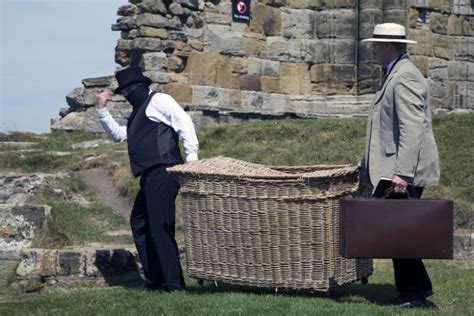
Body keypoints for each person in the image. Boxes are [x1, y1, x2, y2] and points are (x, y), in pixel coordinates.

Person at [95, 66, 199, 291]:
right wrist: (102, 111)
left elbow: (184, 123)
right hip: (150, 177)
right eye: (124, 91)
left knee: (161, 229)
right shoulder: (137, 112)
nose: (128, 93)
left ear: (139, 86)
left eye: (130, 89)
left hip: (165, 171)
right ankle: (156, 281)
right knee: (140, 224)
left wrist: (191, 158)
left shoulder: (160, 100)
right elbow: (119, 135)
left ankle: (174, 286)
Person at [359, 23, 440, 308]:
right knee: (399, 232)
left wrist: (402, 173)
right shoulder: (395, 73)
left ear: (388, 46)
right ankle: (415, 291)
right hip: (397, 170)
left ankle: (415, 293)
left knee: (400, 233)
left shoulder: (404, 77)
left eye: (376, 45)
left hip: (406, 172)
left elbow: (411, 128)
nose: (372, 49)